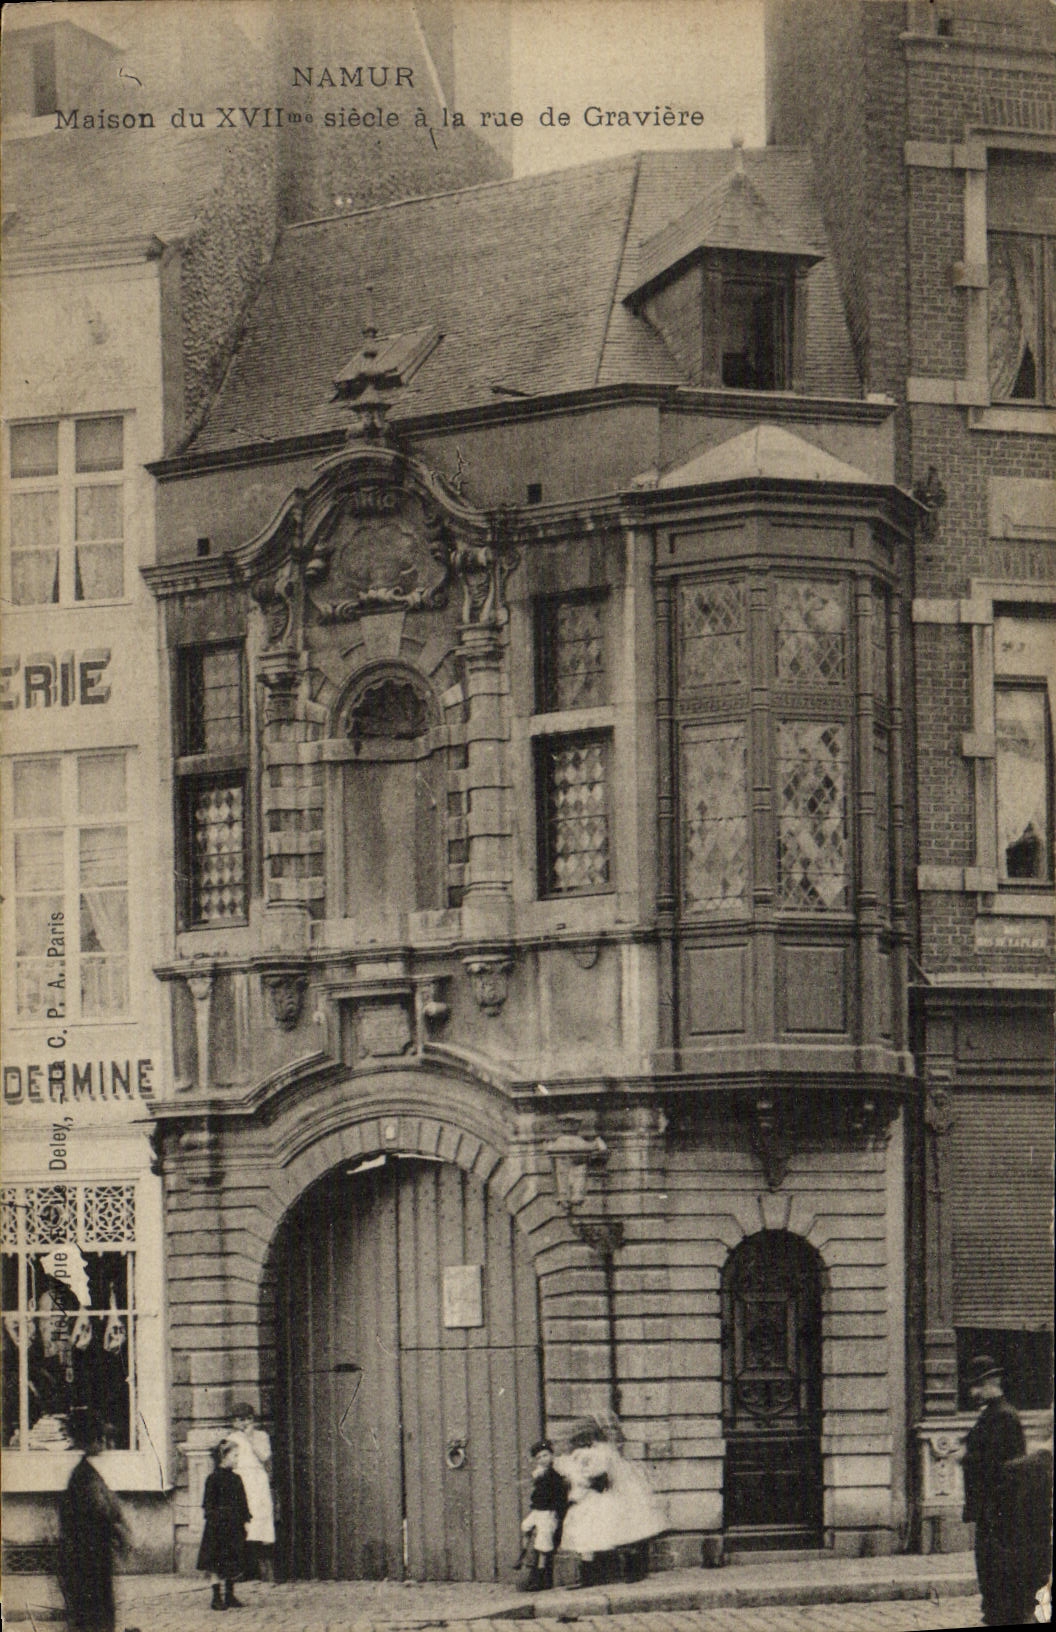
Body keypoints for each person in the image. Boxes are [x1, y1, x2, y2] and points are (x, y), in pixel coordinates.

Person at [555, 1420, 666, 1587]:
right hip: (601, 1495)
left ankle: (624, 1571)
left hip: (609, 1495)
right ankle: (596, 1574)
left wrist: (584, 1479)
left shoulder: (602, 1453)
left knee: (613, 1533)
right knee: (598, 1534)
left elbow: (601, 1476)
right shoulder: (596, 1452)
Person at [960, 1354, 1027, 1627]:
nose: (973, 1392)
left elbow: (997, 1465)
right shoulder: (992, 1414)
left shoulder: (1003, 1416)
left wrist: (965, 1458)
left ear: (992, 1382)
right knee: (989, 1570)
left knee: (995, 1570)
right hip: (991, 1509)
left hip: (1000, 1511)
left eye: (977, 1385)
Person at [56, 1410, 130, 1632]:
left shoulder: (85, 1473)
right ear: (93, 1440)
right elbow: (102, 1515)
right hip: (87, 1561)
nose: (106, 1445)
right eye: (102, 1439)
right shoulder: (85, 1477)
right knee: (93, 1618)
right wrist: (119, 1533)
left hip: (88, 1559)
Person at [197, 1439, 251, 1612]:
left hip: (234, 1525)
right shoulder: (212, 1479)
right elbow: (208, 1504)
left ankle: (230, 1594)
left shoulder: (237, 1479)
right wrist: (217, 1519)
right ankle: (216, 1597)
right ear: (224, 1457)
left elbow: (243, 1502)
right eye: (235, 1455)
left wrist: (245, 1520)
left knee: (232, 1559)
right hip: (217, 1527)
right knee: (216, 1562)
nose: (237, 1459)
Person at [227, 1402, 275, 1581]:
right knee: (243, 1522)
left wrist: (251, 1439)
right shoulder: (232, 1438)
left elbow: (264, 1456)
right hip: (242, 1480)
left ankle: (264, 1569)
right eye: (240, 1419)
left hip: (257, 1480)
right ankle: (243, 1568)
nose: (245, 1423)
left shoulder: (261, 1436)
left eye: (248, 1419)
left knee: (260, 1520)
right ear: (234, 1422)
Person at [519, 1437, 569, 1591]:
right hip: (538, 1510)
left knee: (543, 1543)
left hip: (548, 1512)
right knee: (526, 1526)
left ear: (552, 1456)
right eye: (539, 1457)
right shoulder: (539, 1473)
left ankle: (541, 1576)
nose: (542, 1459)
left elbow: (557, 1495)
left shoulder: (554, 1475)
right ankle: (523, 1554)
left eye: (545, 1455)